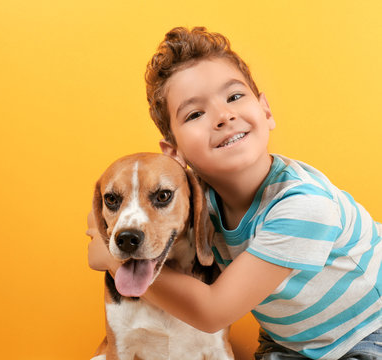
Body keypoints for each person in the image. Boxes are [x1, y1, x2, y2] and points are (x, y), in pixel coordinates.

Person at [86, 27, 382, 359]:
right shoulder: (192, 197)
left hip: (368, 332)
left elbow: (212, 313)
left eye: (234, 97)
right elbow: (113, 210)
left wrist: (111, 258)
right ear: (174, 155)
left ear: (266, 111)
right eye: (196, 114)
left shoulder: (306, 206)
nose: (224, 116)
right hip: (289, 342)